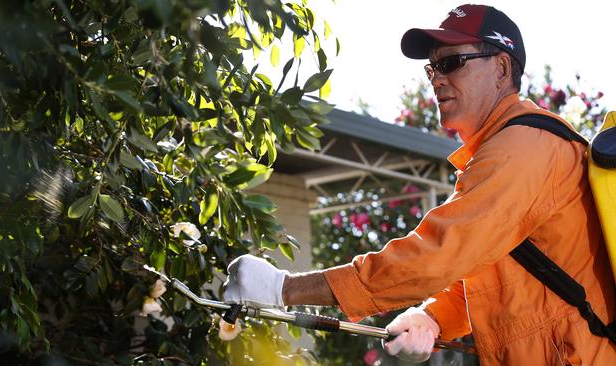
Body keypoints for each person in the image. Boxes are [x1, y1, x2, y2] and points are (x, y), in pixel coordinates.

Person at [222, 4, 616, 365]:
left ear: (500, 68)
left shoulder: (523, 149)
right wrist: (432, 317)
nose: (437, 79)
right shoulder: (507, 152)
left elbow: (435, 256)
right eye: (432, 69)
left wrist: (284, 288)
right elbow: (504, 282)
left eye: (453, 63)